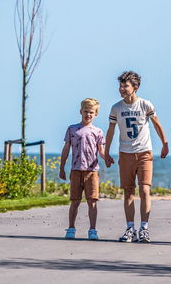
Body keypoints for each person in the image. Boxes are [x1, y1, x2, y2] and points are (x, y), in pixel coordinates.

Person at [104, 71, 168, 243]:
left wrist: (165, 143)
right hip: (125, 154)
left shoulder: (145, 105)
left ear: (135, 88)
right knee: (128, 192)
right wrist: (106, 151)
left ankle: (144, 228)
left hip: (144, 152)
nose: (122, 89)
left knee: (145, 190)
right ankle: (130, 228)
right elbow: (111, 130)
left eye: (125, 86)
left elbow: (156, 123)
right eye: (121, 85)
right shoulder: (116, 108)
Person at [59, 98, 106, 240]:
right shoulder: (72, 129)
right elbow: (66, 149)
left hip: (92, 171)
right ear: (81, 111)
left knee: (92, 201)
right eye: (86, 111)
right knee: (75, 201)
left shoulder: (97, 131)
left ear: (96, 114)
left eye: (91, 112)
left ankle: (92, 230)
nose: (88, 115)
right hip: (76, 170)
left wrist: (107, 158)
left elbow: (101, 150)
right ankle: (71, 228)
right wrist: (62, 167)